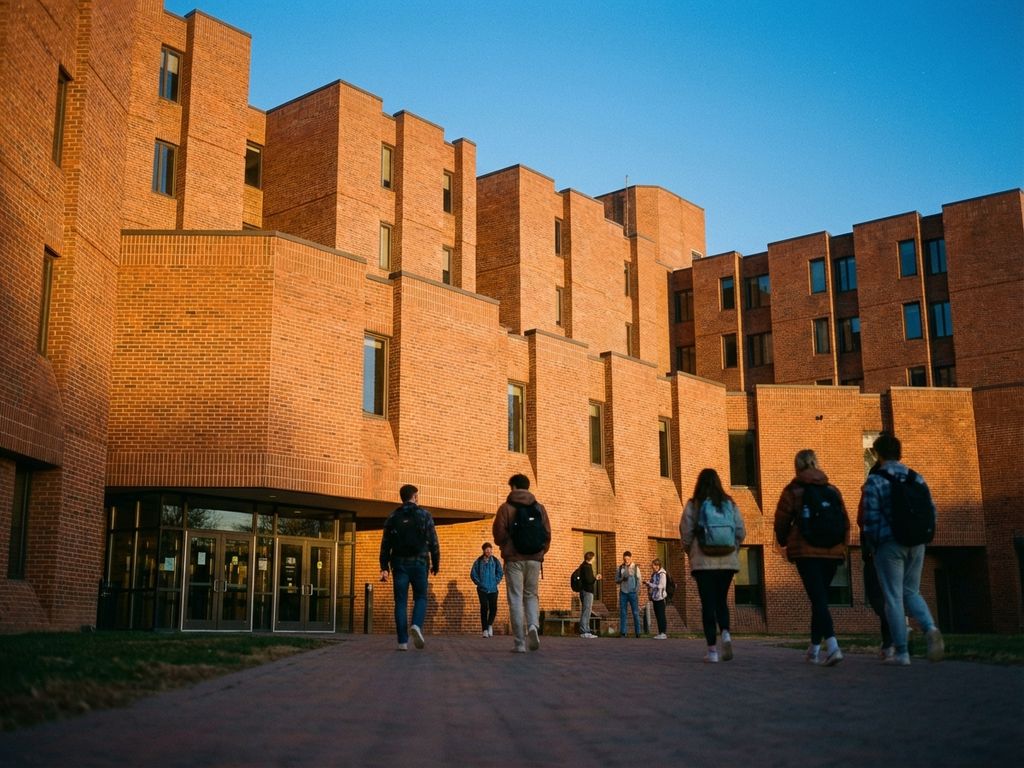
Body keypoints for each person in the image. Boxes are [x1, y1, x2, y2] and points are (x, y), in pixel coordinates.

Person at [859, 432, 944, 666]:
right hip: (917, 542)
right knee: (912, 591)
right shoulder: (916, 477)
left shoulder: (876, 480)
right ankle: (930, 628)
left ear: (877, 453)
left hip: (889, 544)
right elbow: (931, 510)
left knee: (893, 598)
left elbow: (871, 517)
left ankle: (902, 652)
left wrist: (874, 544)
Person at [773, 449, 849, 666]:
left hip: (806, 551)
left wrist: (784, 542)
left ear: (797, 466)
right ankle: (814, 649)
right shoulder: (832, 489)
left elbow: (781, 520)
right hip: (833, 551)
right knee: (820, 599)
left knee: (818, 599)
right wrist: (842, 547)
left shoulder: (793, 490)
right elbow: (844, 521)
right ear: (816, 464)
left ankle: (833, 646)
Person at [679, 468, 745, 662]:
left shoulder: (695, 504)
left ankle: (712, 651)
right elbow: (740, 530)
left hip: (703, 562)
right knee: (721, 602)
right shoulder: (729, 504)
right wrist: (732, 548)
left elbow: (686, 532)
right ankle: (725, 633)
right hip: (727, 562)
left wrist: (691, 552)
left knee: (708, 604)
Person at [492, 474, 551, 653]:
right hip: (534, 559)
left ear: (514, 487)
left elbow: (498, 536)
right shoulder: (539, 508)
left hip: (514, 559)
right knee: (531, 595)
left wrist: (507, 545)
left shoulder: (505, 508)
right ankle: (533, 626)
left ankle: (519, 643)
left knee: (516, 598)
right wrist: (540, 552)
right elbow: (547, 534)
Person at [379, 484, 440, 651]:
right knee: (420, 597)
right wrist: (436, 563)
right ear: (414, 496)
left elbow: (385, 545)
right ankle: (416, 625)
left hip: (399, 564)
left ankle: (402, 642)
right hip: (420, 563)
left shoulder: (393, 517)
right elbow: (433, 541)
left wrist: (384, 567)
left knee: (400, 602)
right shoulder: (425, 515)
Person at [863, 461, 894, 660]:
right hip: (904, 546)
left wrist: (870, 547)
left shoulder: (871, 489)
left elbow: (865, 519)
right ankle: (892, 641)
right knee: (894, 595)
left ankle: (894, 637)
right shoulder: (902, 486)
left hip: (878, 549)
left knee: (878, 597)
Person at [470, 542, 503, 637]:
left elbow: (500, 573)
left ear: (491, 550)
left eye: (490, 549)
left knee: (493, 608)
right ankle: (484, 630)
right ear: (483, 550)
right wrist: (479, 583)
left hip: (493, 589)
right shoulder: (478, 561)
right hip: (482, 589)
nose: (488, 551)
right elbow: (473, 573)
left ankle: (489, 625)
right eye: (486, 549)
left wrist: (495, 581)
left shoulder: (495, 561)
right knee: (484, 608)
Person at [615, 551, 643, 637]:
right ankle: (623, 632)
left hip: (632, 593)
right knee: (623, 612)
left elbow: (639, 580)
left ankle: (638, 632)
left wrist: (637, 590)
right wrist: (622, 579)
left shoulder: (635, 568)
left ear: (631, 558)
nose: (626, 560)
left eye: (628, 559)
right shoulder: (620, 568)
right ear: (623, 558)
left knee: (635, 612)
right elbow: (616, 580)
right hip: (623, 592)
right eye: (625, 559)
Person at [578, 551, 601, 638]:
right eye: (594, 558)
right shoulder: (587, 567)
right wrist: (596, 577)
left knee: (586, 610)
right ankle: (584, 631)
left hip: (584, 591)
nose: (594, 559)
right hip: (587, 591)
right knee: (586, 611)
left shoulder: (583, 566)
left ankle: (586, 630)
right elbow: (589, 580)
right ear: (591, 558)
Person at [646, 559, 668, 639]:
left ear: (658, 566)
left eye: (654, 566)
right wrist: (648, 584)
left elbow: (660, 586)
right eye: (652, 566)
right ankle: (660, 632)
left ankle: (663, 633)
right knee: (658, 616)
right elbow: (654, 583)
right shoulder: (654, 574)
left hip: (661, 597)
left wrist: (650, 584)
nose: (653, 568)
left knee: (661, 615)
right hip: (655, 597)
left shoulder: (662, 574)